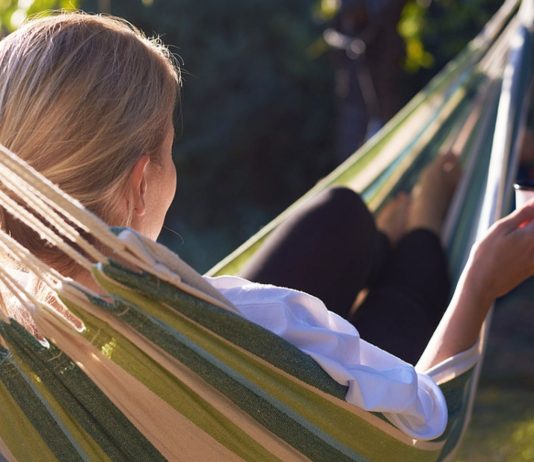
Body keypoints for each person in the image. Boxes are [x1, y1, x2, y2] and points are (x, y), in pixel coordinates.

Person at [0, 13, 533, 442]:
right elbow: (422, 430)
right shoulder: (255, 323)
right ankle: (419, 225)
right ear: (141, 184)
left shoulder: (19, 378)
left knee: (340, 216)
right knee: (399, 278)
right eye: (169, 149)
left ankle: (399, 227)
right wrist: (481, 282)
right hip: (279, 406)